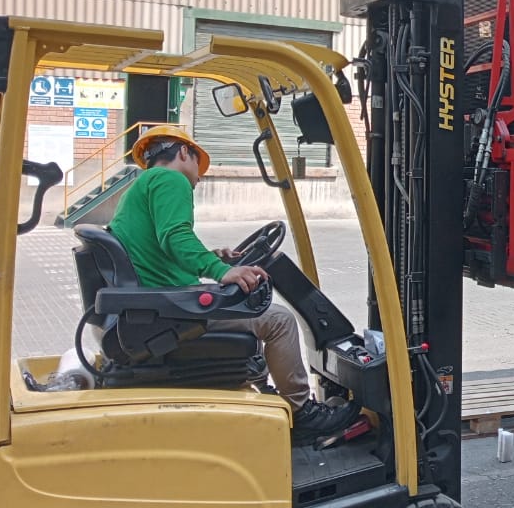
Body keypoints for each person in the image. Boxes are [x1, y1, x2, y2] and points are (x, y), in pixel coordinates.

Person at [108, 125, 358, 444]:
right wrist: (219, 271)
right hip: (173, 310)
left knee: (251, 309)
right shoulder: (171, 180)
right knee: (279, 321)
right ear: (184, 152)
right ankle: (302, 413)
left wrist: (215, 257)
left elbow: (157, 248)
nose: (199, 179)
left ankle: (264, 389)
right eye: (199, 167)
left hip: (161, 302)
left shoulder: (141, 185)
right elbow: (174, 237)